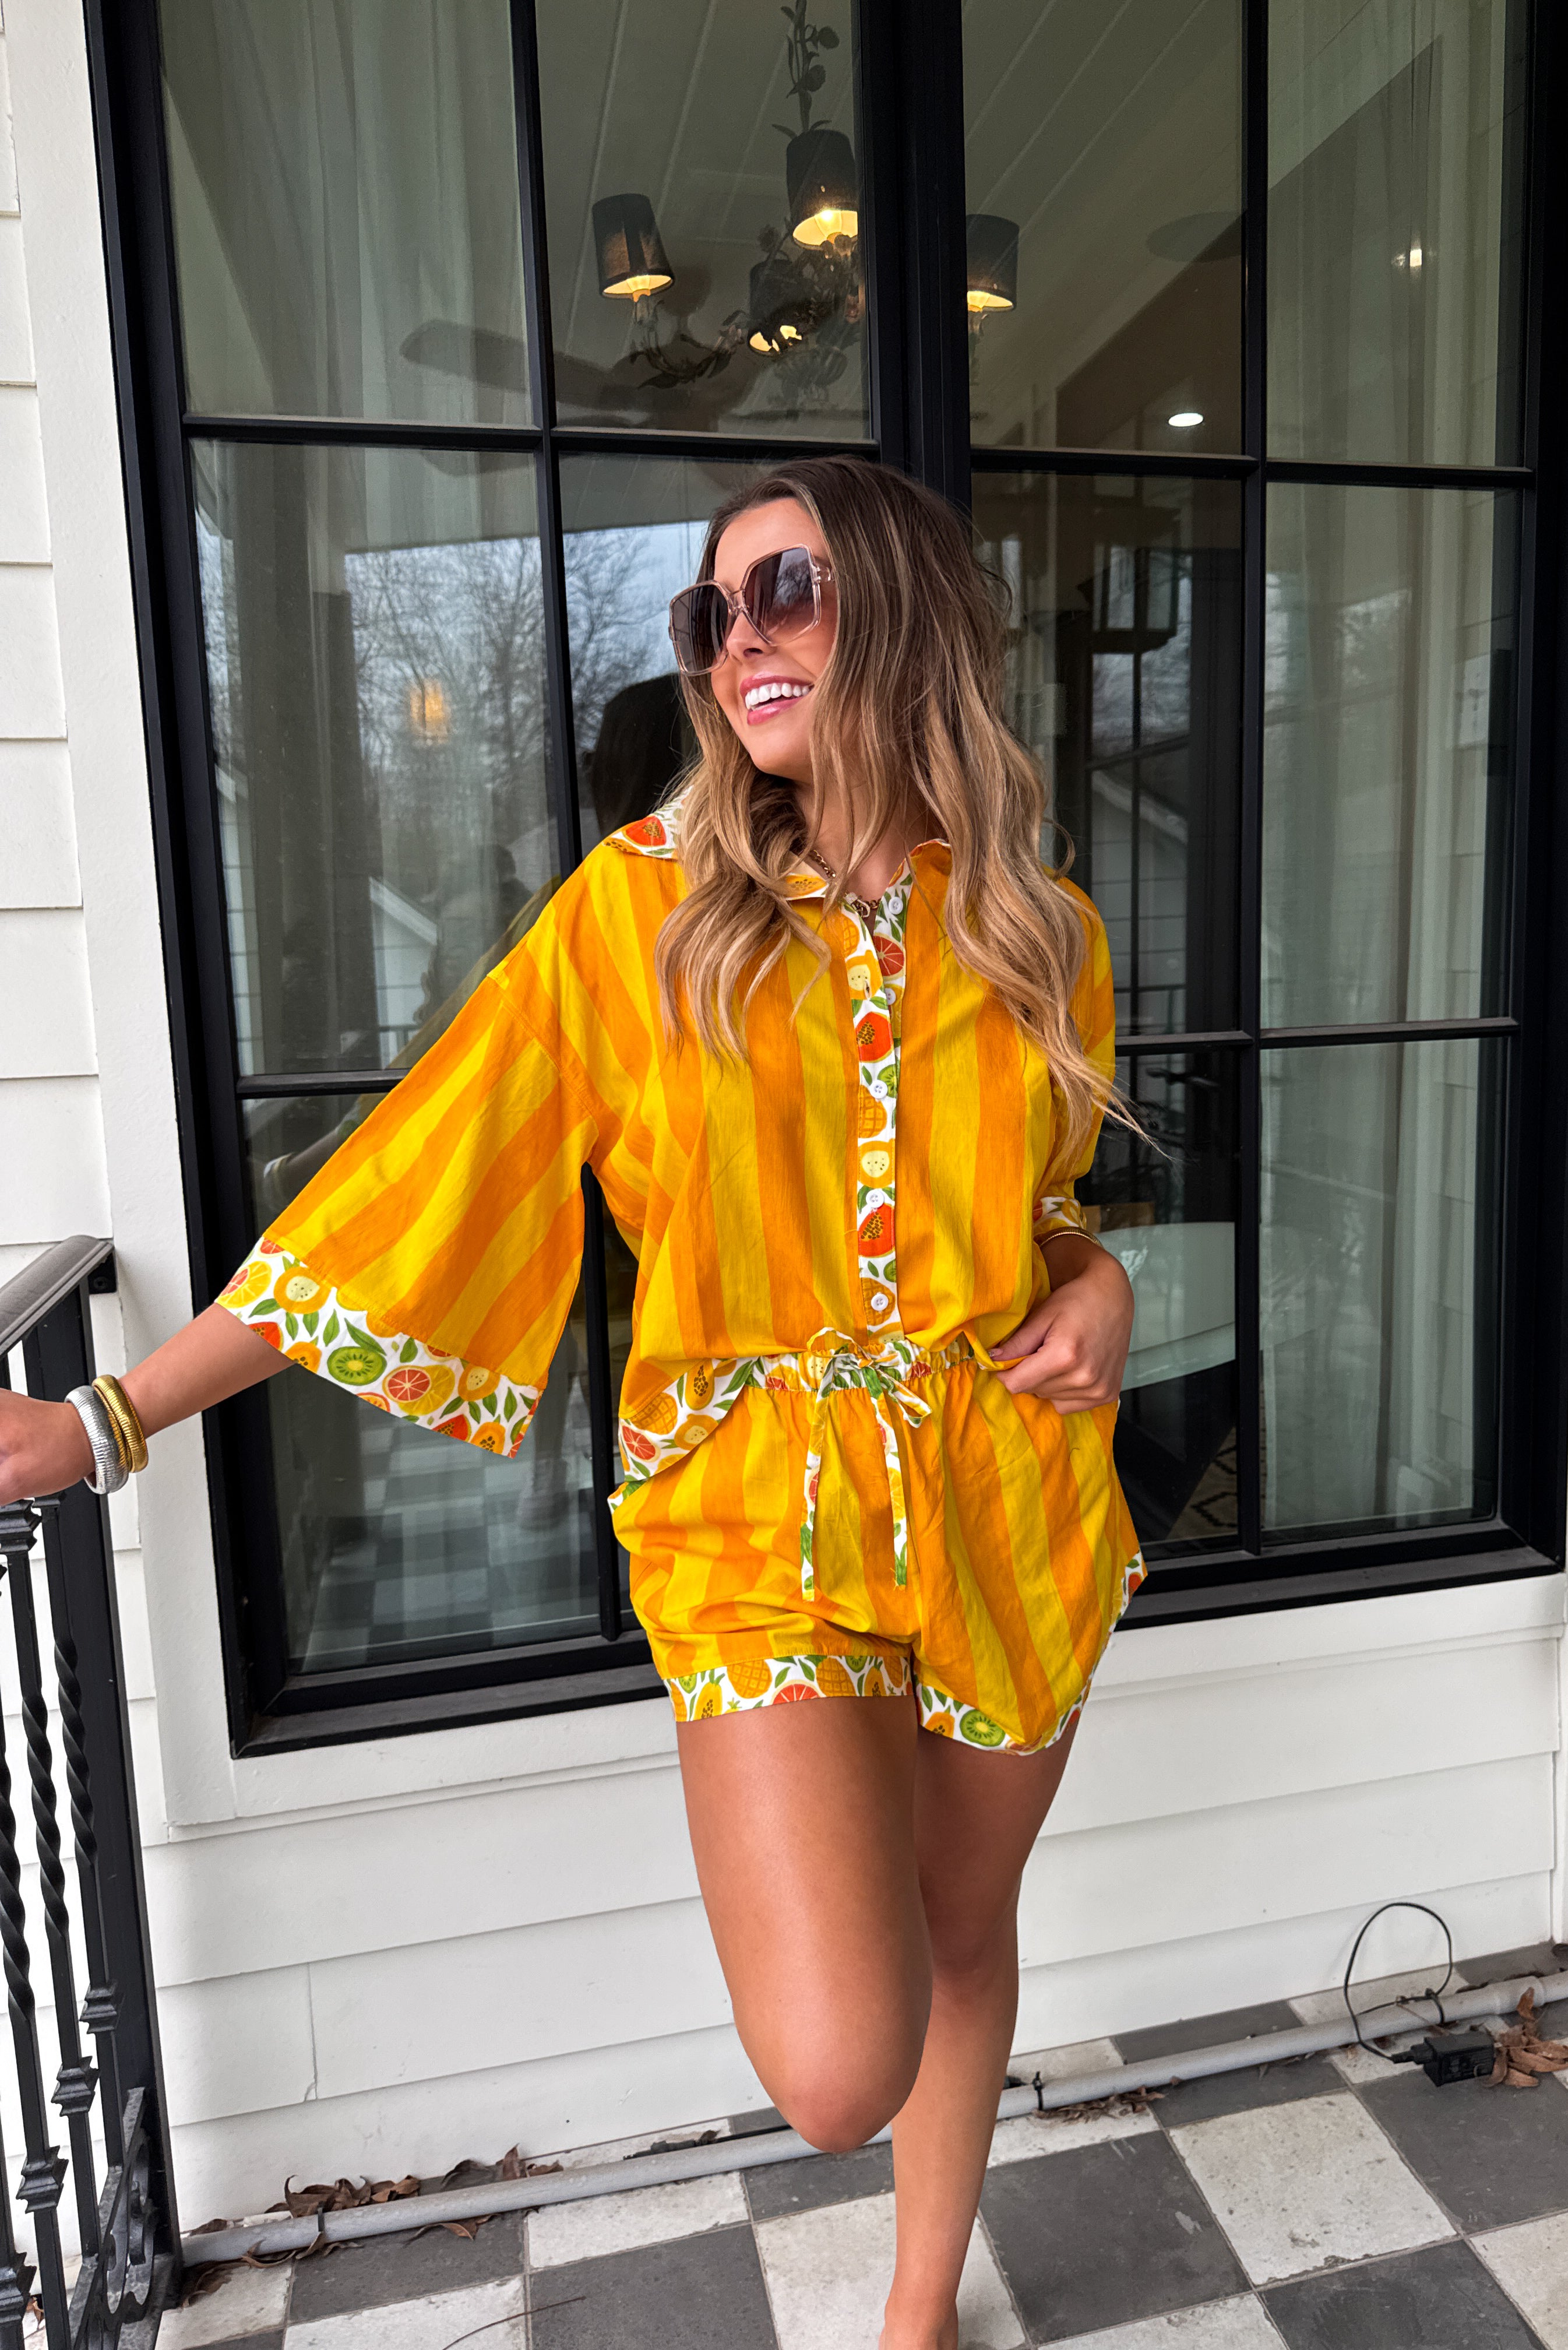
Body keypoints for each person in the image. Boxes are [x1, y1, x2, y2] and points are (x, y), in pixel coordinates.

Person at [0, 455, 1140, 2350]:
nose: (738, 638)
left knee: (962, 1931)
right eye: (711, 613)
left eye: (784, 590)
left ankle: (916, 2315)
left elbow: (1043, 1215)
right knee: (835, 2062)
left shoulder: (1040, 932)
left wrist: (1098, 1287)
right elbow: (411, 1186)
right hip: (749, 1514)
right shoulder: (642, 917)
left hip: (1011, 1506)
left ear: (908, 612)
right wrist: (113, 1419)